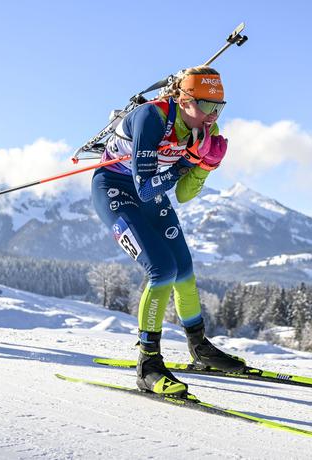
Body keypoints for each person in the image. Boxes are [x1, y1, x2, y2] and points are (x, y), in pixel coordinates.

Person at [91, 66, 245, 396]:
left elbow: (185, 195)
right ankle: (147, 364)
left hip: (153, 188)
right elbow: (145, 189)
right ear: (184, 99)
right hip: (116, 189)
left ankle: (199, 347)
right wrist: (188, 162)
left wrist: (206, 166)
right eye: (205, 106)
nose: (211, 116)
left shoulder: (205, 126)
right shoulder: (152, 118)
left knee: (185, 270)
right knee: (162, 270)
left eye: (219, 108)